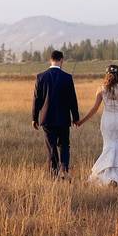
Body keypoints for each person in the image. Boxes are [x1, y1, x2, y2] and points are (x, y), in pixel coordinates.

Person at [31, 50, 80, 179]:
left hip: (47, 119)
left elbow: (37, 99)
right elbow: (72, 99)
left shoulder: (41, 77)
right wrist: (75, 117)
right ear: (61, 60)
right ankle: (64, 168)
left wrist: (34, 118)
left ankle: (54, 173)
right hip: (63, 118)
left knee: (51, 146)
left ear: (50, 60)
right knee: (64, 144)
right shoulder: (67, 77)